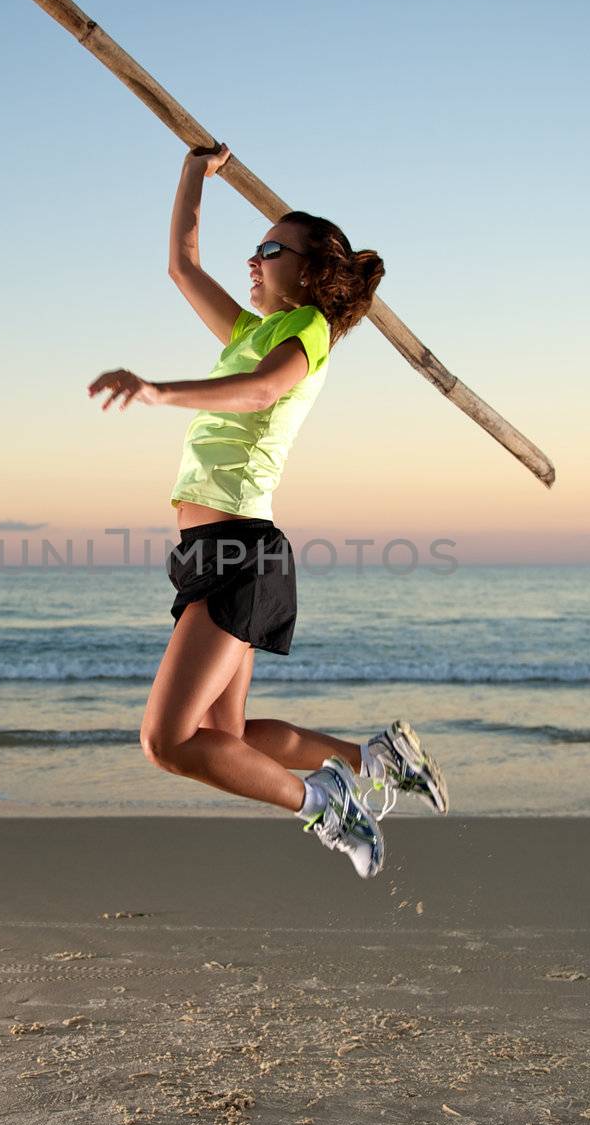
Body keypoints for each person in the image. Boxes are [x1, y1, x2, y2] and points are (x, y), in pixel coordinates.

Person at [86, 143, 448, 878]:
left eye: (268, 248)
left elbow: (258, 394)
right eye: (253, 248)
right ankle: (370, 758)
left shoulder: (305, 331)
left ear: (309, 270)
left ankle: (328, 802)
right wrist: (195, 172)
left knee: (167, 740)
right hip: (212, 552)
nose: (252, 260)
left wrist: (158, 391)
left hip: (239, 552)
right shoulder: (250, 333)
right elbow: (182, 266)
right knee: (229, 736)